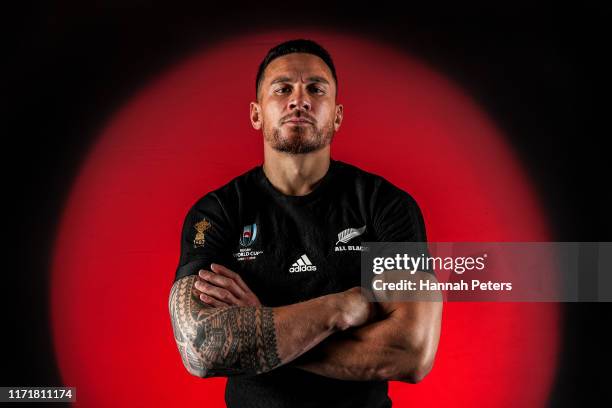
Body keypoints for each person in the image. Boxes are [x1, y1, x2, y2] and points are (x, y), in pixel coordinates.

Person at [168, 39, 442, 408]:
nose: (300, 100)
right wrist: (340, 308)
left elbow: (411, 352)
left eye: (316, 88)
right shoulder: (217, 212)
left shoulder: (387, 206)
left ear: (338, 115)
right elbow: (200, 348)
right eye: (282, 89)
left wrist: (259, 325)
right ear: (256, 114)